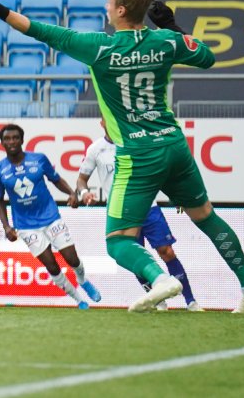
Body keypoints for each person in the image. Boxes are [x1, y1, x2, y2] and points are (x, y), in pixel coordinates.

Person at [0, 0, 244, 313]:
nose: (105, 5)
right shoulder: (165, 41)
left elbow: (40, 31)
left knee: (118, 241)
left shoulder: (98, 47)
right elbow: (207, 58)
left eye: (109, 1)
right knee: (206, 217)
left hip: (137, 152)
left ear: (120, 10)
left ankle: (160, 280)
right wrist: (173, 27)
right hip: (173, 144)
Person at [77, 118, 203, 311]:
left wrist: (178, 196)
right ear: (102, 122)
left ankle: (190, 301)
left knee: (167, 252)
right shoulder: (95, 149)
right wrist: (85, 194)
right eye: (107, 118)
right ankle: (157, 300)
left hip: (148, 207)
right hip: (120, 214)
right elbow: (81, 179)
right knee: (135, 255)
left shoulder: (135, 143)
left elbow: (160, 174)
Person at [0, 124, 102, 309]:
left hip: (50, 217)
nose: (11, 142)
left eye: (15, 138)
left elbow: (56, 179)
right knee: (51, 266)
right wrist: (6, 226)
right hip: (25, 226)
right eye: (7, 139)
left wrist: (71, 194)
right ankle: (78, 299)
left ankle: (83, 281)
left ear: (22, 140)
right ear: (1, 142)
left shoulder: (39, 159)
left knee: (72, 259)